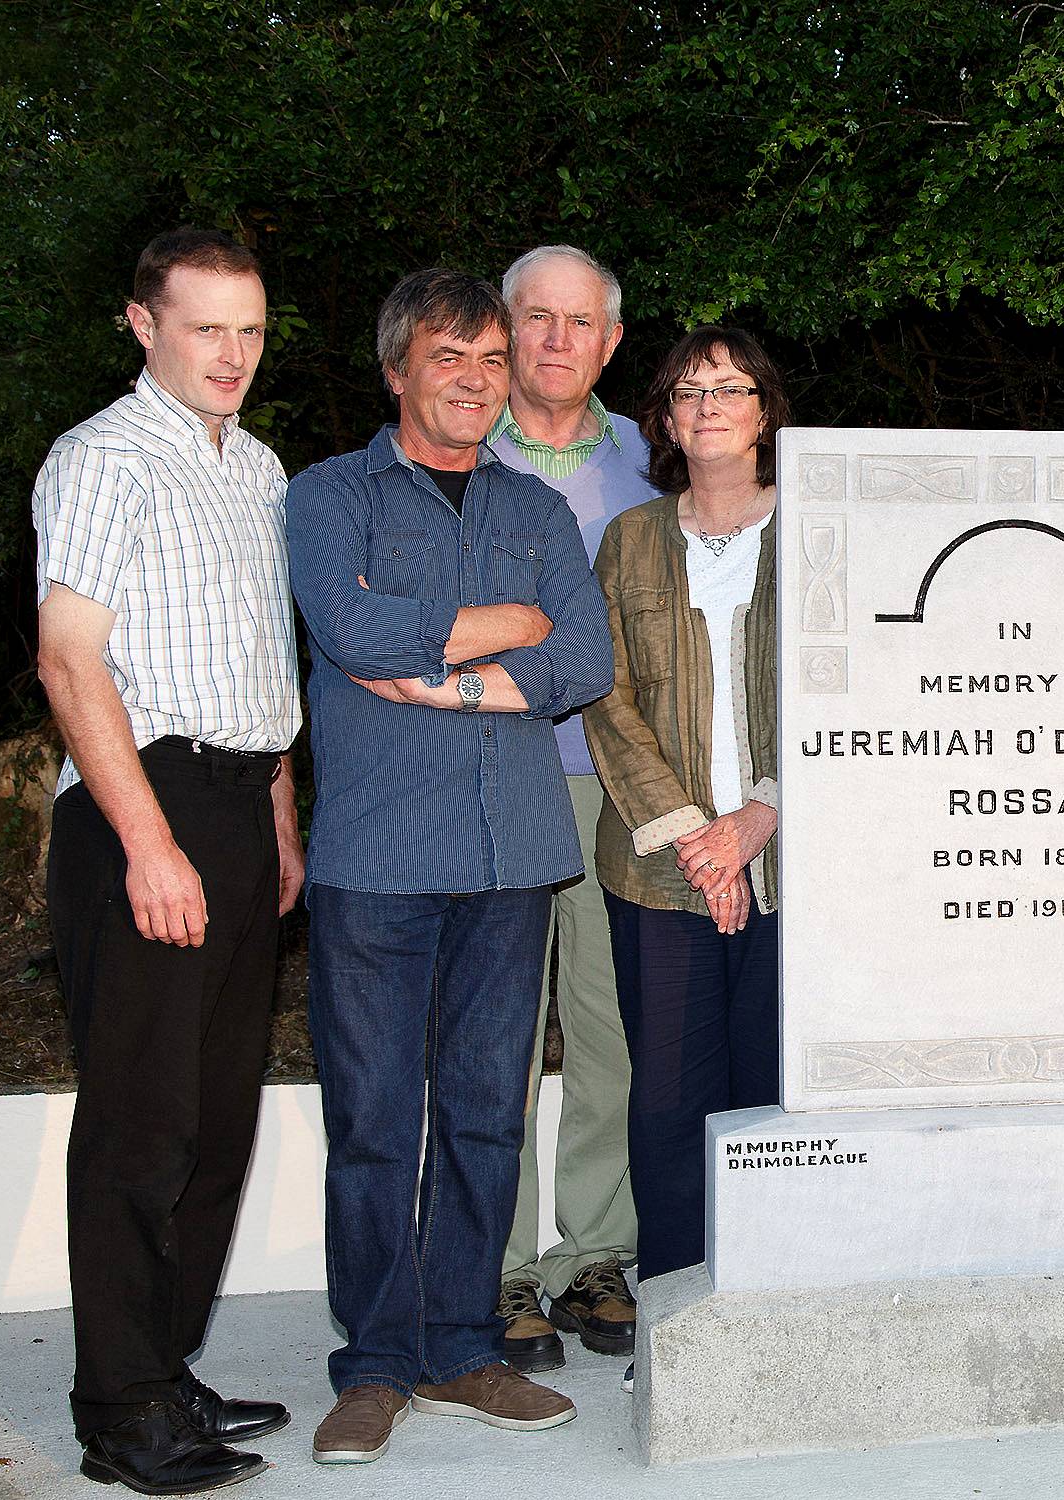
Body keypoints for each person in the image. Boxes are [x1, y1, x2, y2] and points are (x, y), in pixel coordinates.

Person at [286, 269, 612, 1463]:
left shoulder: (533, 514)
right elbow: (350, 630)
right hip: (377, 856)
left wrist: (464, 670)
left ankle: (464, 1347)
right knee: (374, 1121)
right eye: (448, 358)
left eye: (489, 360)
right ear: (397, 371)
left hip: (513, 854)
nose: (476, 379)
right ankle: (373, 1365)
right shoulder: (329, 496)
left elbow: (584, 657)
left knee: (486, 1115)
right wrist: (507, 623)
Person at [33, 228, 303, 1495]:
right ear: (144, 325)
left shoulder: (257, 469)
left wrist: (281, 815)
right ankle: (120, 1408)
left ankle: (168, 1366)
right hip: (145, 805)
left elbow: (259, 660)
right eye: (206, 329)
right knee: (142, 1124)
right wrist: (149, 841)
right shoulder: (102, 459)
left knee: (216, 1118)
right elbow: (70, 661)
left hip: (241, 807)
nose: (232, 355)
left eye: (249, 331)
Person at [582, 327, 786, 1385]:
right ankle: (675, 1321)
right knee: (668, 1099)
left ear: (766, 410)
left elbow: (852, 687)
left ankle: (770, 1310)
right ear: (662, 418)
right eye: (686, 391)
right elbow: (605, 699)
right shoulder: (629, 541)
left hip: (793, 863)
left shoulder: (817, 531)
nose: (708, 405)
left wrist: (757, 819)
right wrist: (694, 841)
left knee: (773, 1095)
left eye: (730, 388)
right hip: (661, 869)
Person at [489, 244, 662, 1374]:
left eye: (578, 322)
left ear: (609, 339)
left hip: (616, 776)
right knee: (493, 1035)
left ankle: (599, 1251)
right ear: (503, 330)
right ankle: (498, 1267)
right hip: (487, 771)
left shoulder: (649, 455)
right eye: (535, 319)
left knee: (611, 1028)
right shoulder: (456, 442)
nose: (557, 341)